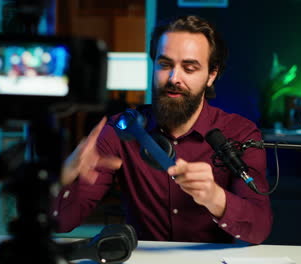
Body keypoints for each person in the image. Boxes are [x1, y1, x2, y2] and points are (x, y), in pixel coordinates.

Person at [52, 15, 273, 244]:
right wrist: (64, 177)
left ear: (211, 75)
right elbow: (60, 222)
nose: (173, 78)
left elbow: (259, 228)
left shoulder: (240, 134)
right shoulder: (122, 129)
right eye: (164, 65)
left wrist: (215, 197)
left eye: (189, 68)